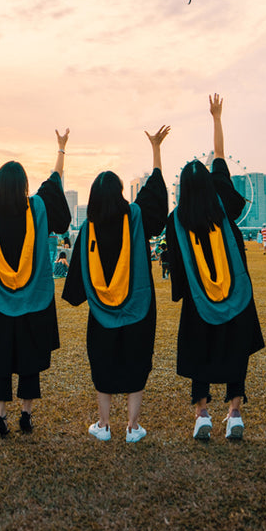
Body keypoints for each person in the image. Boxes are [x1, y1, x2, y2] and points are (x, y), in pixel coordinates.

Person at [62, 126, 170, 443]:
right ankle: (133, 427)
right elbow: (156, 198)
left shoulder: (88, 229)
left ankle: (104, 425)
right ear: (122, 193)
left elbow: (77, 279)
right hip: (139, 307)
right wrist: (156, 150)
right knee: (137, 362)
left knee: (104, 364)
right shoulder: (136, 215)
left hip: (101, 314)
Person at [0, 129, 72, 436]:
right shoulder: (37, 208)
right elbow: (54, 184)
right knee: (29, 358)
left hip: (1, 305)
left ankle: (0, 417)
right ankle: (25, 415)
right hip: (35, 303)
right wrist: (61, 150)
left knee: (2, 358)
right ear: (24, 185)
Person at [166, 95, 264, 441]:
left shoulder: (175, 220)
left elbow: (174, 264)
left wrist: (183, 291)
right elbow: (220, 157)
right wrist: (217, 117)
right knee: (235, 350)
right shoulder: (222, 203)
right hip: (236, 294)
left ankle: (202, 413)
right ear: (209, 184)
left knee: (200, 354)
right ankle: (235, 413)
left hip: (199, 300)